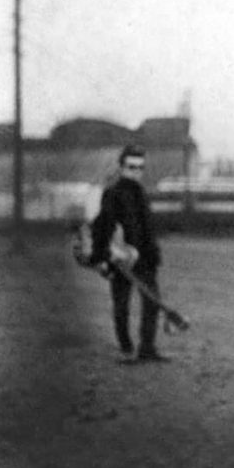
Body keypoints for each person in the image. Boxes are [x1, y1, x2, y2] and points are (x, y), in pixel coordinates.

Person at [90, 144, 167, 361]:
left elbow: (147, 229)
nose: (136, 172)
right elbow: (102, 227)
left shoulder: (141, 193)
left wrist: (153, 254)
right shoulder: (112, 193)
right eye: (131, 167)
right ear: (122, 167)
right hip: (121, 259)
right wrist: (102, 257)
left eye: (140, 168)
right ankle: (126, 348)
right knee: (122, 306)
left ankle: (147, 348)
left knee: (152, 303)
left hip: (145, 259)